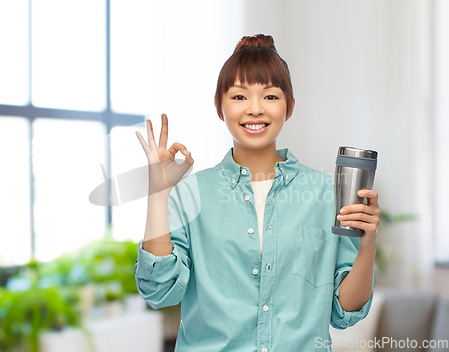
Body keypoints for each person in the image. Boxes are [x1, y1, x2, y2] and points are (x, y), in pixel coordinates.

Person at [134, 34, 381, 352]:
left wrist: (368, 244)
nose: (254, 110)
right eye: (239, 97)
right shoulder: (190, 194)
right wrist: (158, 194)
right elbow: (160, 291)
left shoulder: (325, 194)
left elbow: (345, 311)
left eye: (270, 97)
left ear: (289, 107)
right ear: (219, 106)